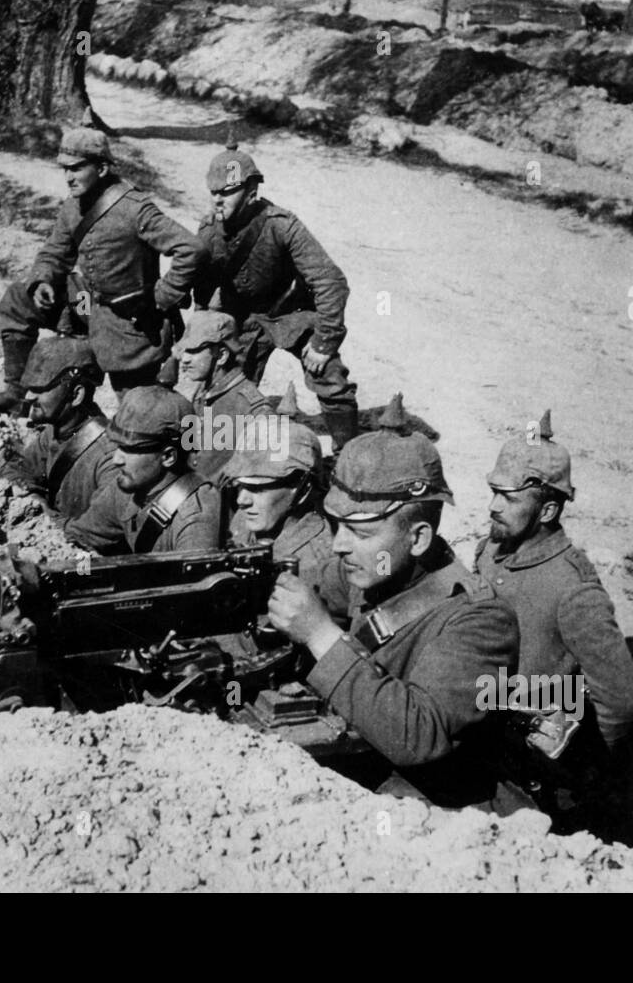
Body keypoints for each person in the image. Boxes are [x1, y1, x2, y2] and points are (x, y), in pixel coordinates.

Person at [266, 418, 519, 806]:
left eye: (361, 533)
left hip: (435, 808)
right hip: (365, 773)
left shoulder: (478, 620)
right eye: (337, 526)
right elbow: (308, 589)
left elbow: (419, 735)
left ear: (417, 538)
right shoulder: (374, 567)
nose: (339, 545)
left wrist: (319, 634)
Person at [475, 410, 633, 844]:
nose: (494, 506)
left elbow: (624, 700)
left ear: (549, 508)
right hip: (484, 720)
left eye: (509, 498)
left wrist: (588, 768)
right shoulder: (490, 551)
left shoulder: (573, 589)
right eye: (494, 492)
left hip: (535, 761)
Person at [0, 120, 207, 411]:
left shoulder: (135, 208)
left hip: (129, 319)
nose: (68, 177)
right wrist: (44, 279)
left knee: (136, 411)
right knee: (19, 299)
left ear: (102, 169)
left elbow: (191, 249)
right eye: (65, 169)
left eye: (76, 168)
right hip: (86, 304)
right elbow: (55, 251)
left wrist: (162, 297)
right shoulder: (73, 206)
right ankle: (17, 393)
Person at [192, 135, 359, 453]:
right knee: (222, 390)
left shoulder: (282, 225)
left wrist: (325, 341)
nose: (217, 200)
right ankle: (215, 457)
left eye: (227, 192)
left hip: (289, 313)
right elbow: (201, 291)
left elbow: (331, 281)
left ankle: (349, 454)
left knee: (332, 378)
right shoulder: (209, 230)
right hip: (241, 319)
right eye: (213, 192)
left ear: (252, 192)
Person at [223, 399, 349, 625]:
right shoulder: (248, 519)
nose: (242, 500)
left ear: (302, 488)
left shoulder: (319, 564)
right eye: (240, 486)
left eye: (258, 488)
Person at [65, 386, 222, 555]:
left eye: (130, 450)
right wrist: (83, 573)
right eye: (118, 446)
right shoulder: (130, 485)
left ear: (168, 456)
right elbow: (80, 536)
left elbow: (192, 581)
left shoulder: (195, 517)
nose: (116, 459)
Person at [2, 336, 115, 525]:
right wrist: (36, 500)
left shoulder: (107, 457)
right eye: (30, 388)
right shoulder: (53, 433)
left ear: (76, 395)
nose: (29, 397)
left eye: (41, 389)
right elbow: (15, 470)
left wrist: (41, 516)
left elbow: (96, 533)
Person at [176, 309, 273, 480]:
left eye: (195, 351)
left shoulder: (255, 410)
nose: (185, 359)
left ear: (221, 356)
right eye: (185, 351)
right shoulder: (202, 391)